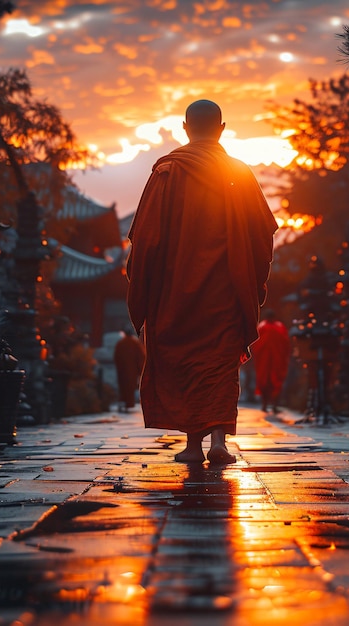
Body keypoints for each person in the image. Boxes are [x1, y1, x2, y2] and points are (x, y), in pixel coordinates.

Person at [126, 99, 277, 464]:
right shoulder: (238, 173)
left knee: (186, 363)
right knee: (218, 364)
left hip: (173, 293)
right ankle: (219, 443)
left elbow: (145, 238)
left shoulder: (167, 172)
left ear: (185, 128)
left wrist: (143, 285)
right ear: (222, 128)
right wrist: (250, 278)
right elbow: (263, 233)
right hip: (225, 291)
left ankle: (193, 446)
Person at [251, 309, 291, 413]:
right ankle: (274, 405)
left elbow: (255, 344)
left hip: (264, 361)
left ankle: (265, 404)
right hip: (276, 360)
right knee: (275, 381)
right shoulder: (279, 327)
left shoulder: (262, 327)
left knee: (265, 382)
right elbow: (286, 344)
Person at [113, 326, 146, 412]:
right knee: (130, 387)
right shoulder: (135, 343)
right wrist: (141, 370)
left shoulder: (120, 343)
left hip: (122, 369)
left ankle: (122, 402)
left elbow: (116, 357)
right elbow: (141, 357)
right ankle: (128, 404)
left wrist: (119, 367)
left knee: (123, 386)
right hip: (132, 370)